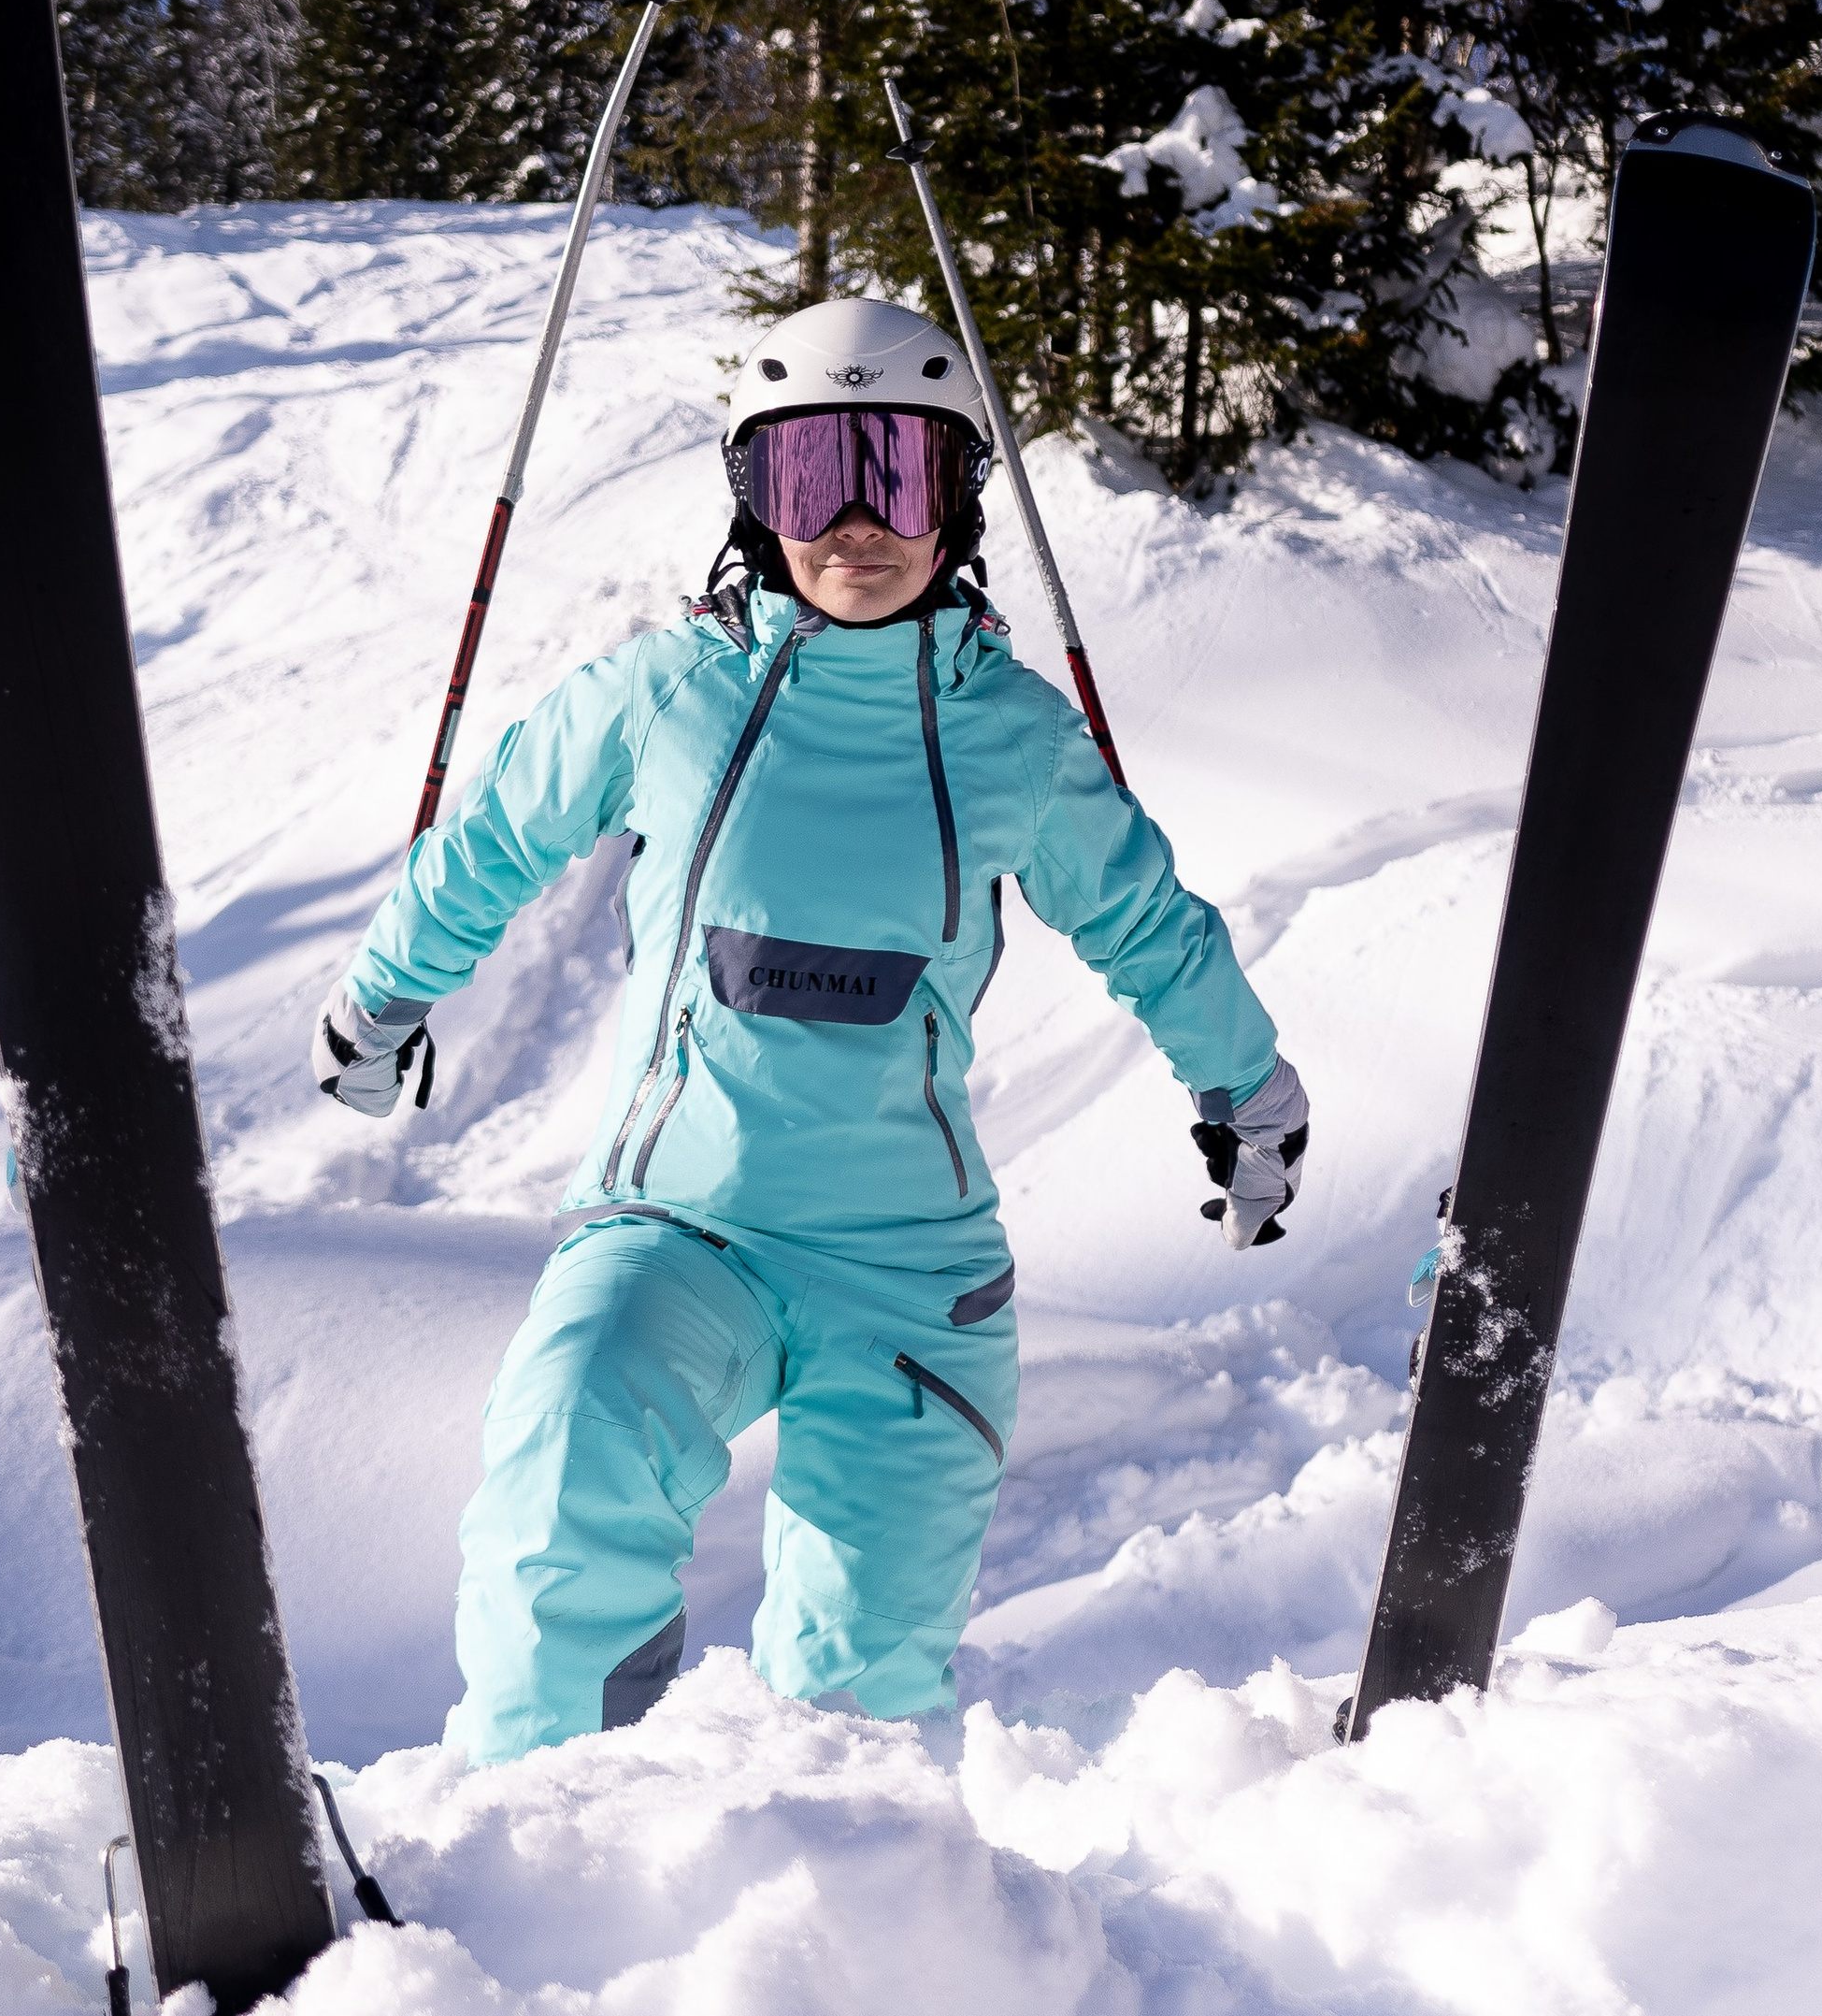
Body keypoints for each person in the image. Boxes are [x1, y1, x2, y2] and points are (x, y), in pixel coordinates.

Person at [310, 296, 1308, 1762]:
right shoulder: (668, 693)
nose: (855, 521)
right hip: (675, 1228)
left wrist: (1251, 1087)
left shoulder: (1012, 734)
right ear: (749, 499)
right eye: (806, 477)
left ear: (957, 491)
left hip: (913, 1280)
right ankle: (537, 1854)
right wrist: (385, 991)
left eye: (895, 470)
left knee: (859, 1701)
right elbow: (494, 835)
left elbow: (1148, 922)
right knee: (561, 1475)